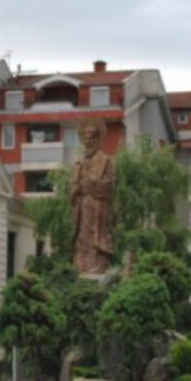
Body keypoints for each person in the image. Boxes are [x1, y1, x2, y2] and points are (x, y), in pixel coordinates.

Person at [69, 118, 115, 275]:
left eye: (91, 138)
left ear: (98, 140)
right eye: (86, 139)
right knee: (81, 241)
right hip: (81, 209)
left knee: (96, 241)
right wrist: (76, 188)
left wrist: (92, 185)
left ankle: (96, 266)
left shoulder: (105, 161)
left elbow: (109, 187)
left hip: (97, 210)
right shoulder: (78, 163)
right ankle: (81, 266)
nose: (88, 142)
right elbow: (72, 187)